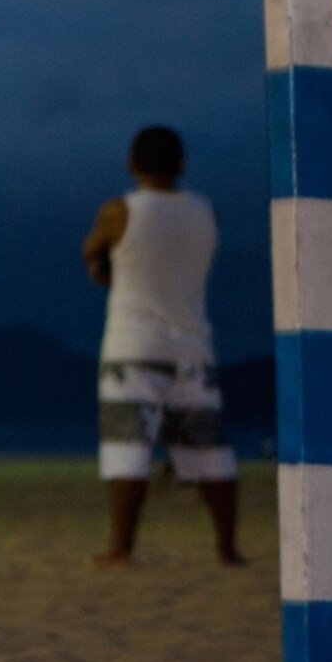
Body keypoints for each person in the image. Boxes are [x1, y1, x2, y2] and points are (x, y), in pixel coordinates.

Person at [81, 125, 243, 566]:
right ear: (182, 165)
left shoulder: (119, 212)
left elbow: (90, 251)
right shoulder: (204, 211)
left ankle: (122, 546)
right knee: (210, 453)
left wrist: (104, 274)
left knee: (127, 449)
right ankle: (226, 547)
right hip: (193, 348)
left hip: (132, 346)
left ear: (131, 164)